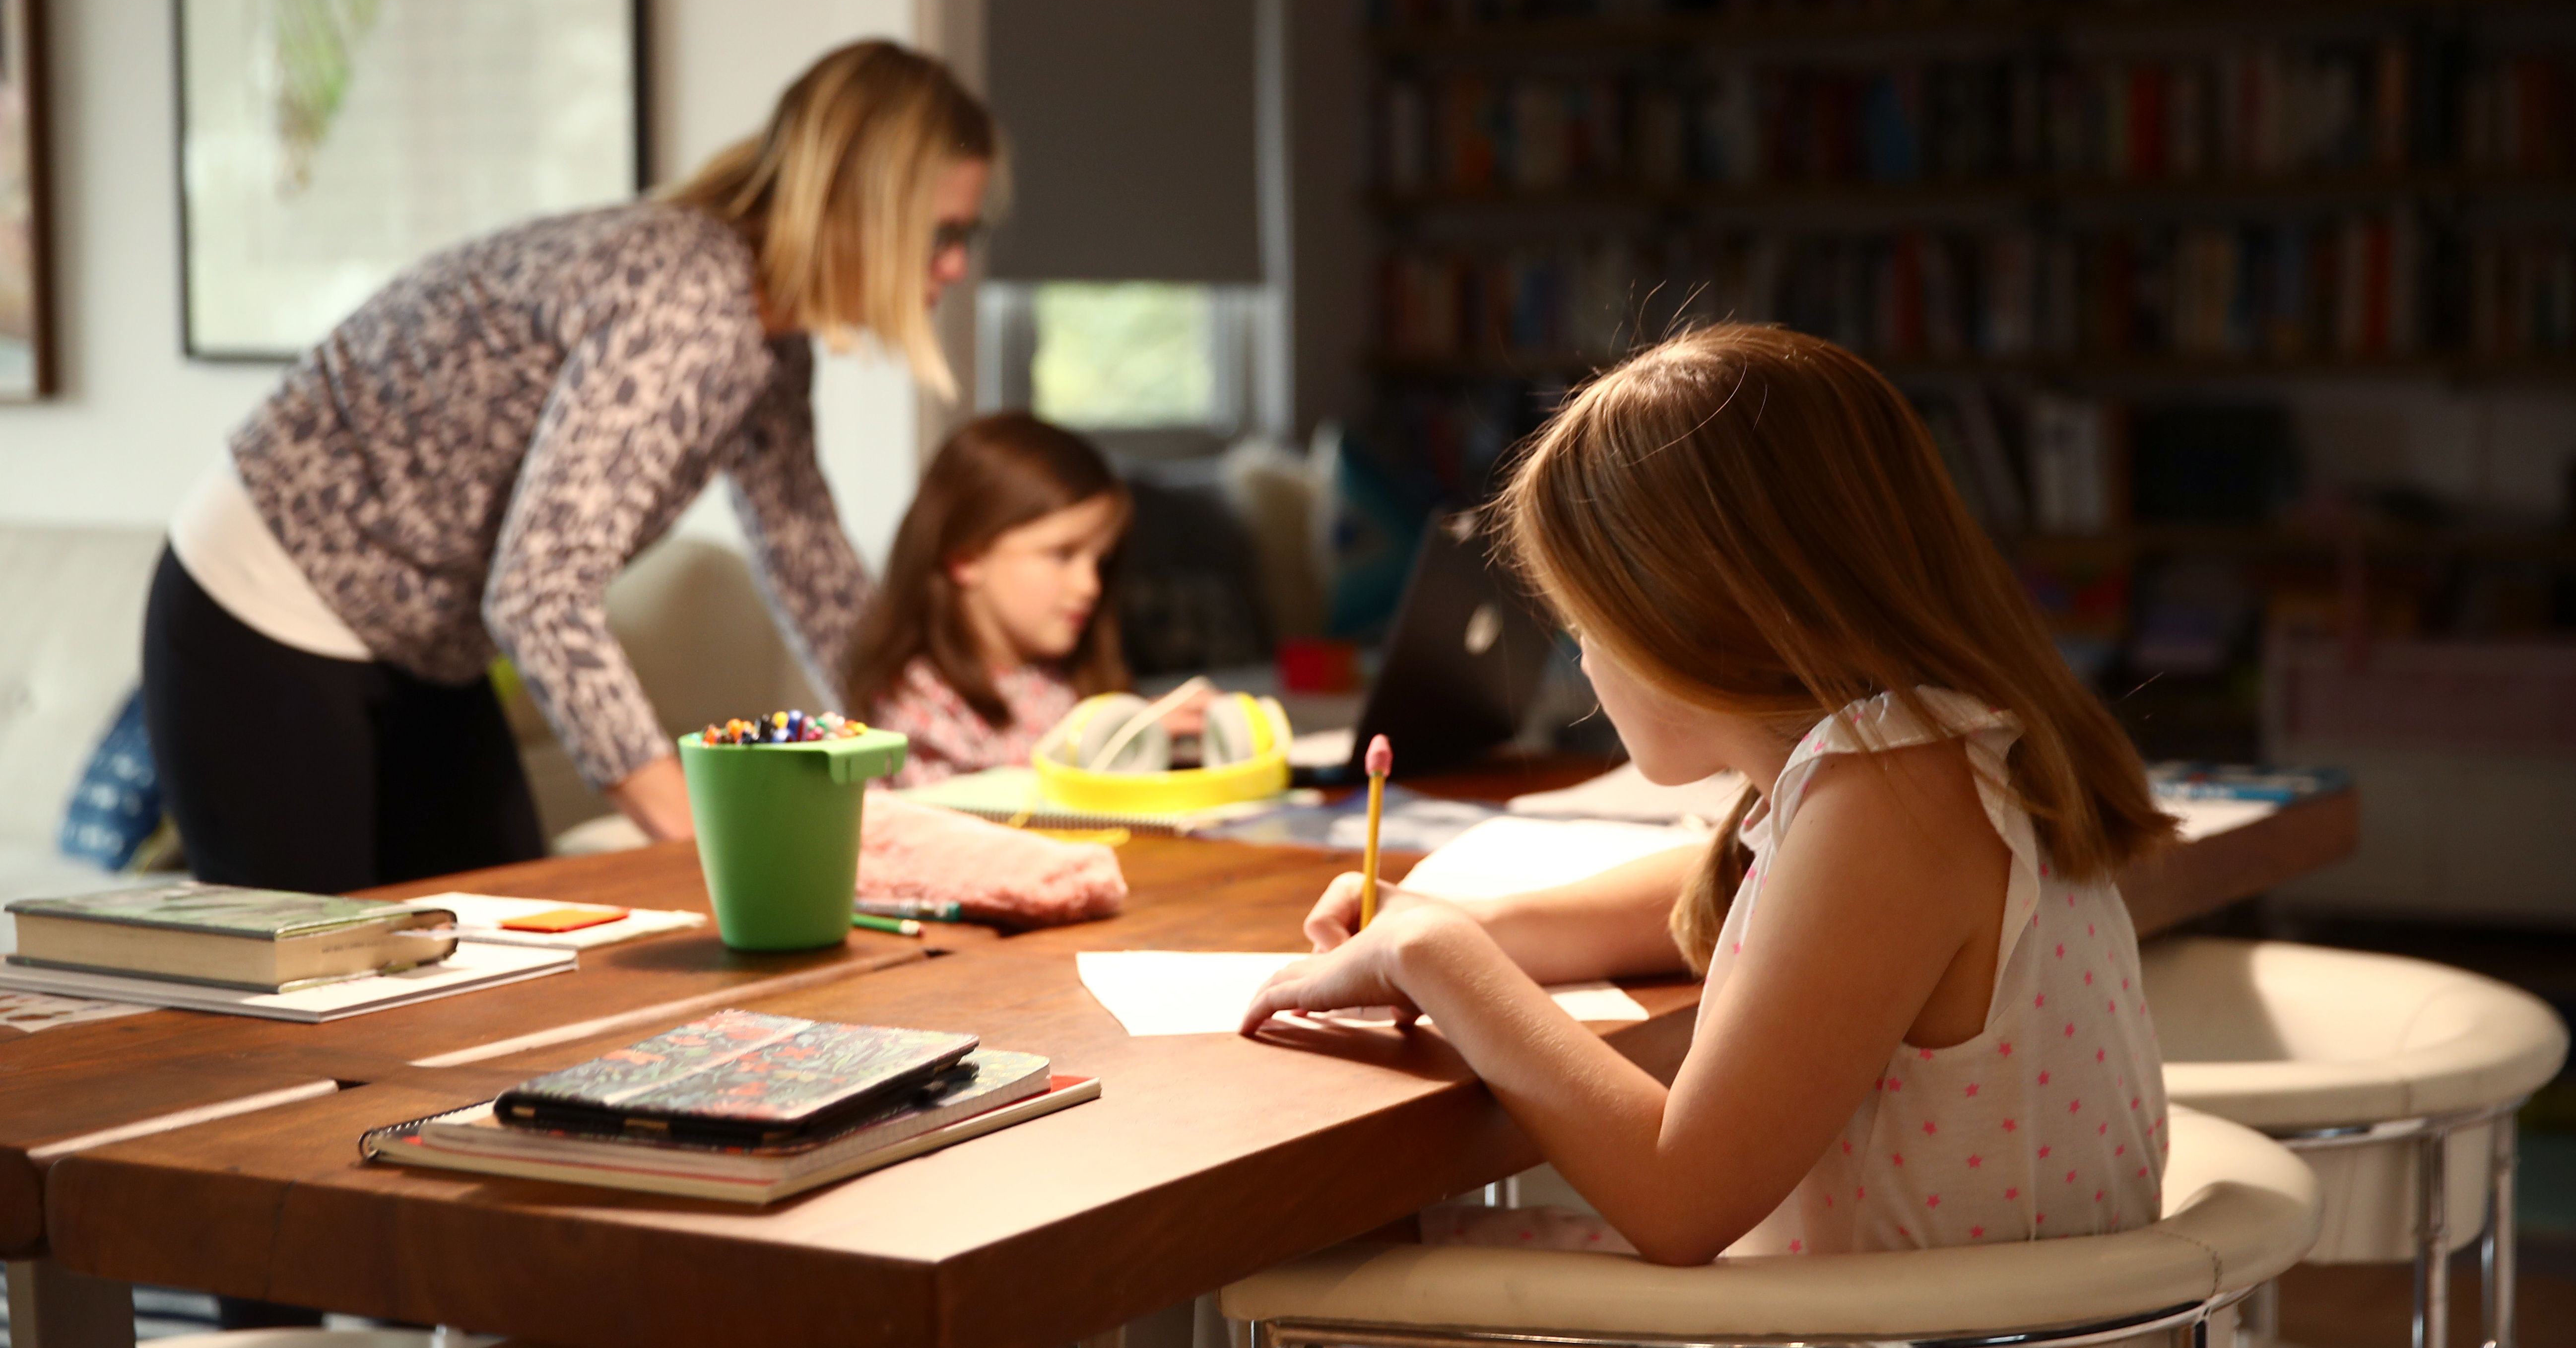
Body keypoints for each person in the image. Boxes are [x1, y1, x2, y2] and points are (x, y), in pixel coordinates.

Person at [1243, 323, 2178, 1286]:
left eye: (1580, 625)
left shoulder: (1894, 800)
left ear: (1688, 616)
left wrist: (1431, 955)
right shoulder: (1929, 756)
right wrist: (1469, 924)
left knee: (1323, 1265)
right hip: (1954, 1336)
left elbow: (1676, 1200)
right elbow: (1764, 908)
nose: (1586, 666)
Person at [144, 40, 996, 896]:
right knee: (306, 994)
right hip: (264, 604)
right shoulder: (686, 301)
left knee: (488, 954)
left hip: (426, 643)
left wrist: (926, 762)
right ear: (856, 207)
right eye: (942, 234)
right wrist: (694, 826)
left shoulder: (773, 343)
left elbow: (806, 556)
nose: (957, 266)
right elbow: (540, 592)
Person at [844, 413, 1132, 788]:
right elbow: (973, 831)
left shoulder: (1065, 682)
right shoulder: (917, 708)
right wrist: (1118, 743)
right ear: (967, 555)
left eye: (1100, 562)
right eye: (1062, 554)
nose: (1090, 585)